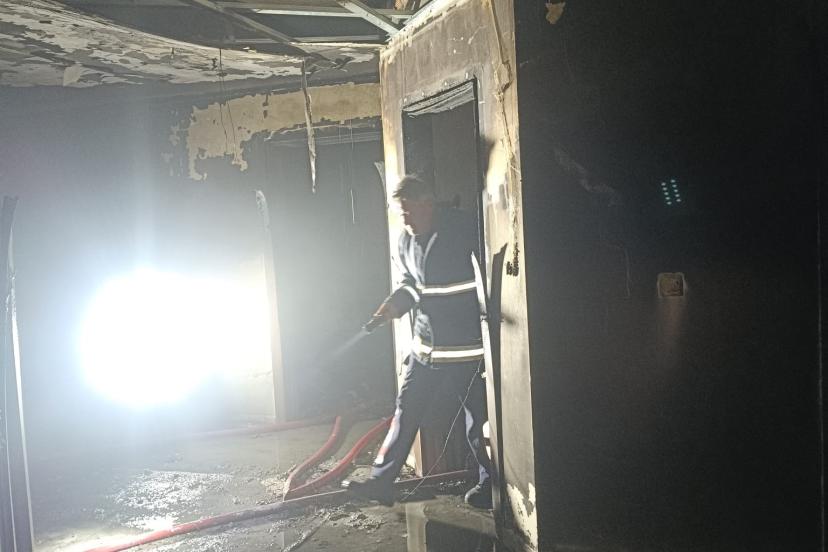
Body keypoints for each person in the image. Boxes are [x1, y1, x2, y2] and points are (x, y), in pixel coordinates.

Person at [343, 175, 493, 509]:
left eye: (409, 211)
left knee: (478, 422)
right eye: (402, 214)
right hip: (425, 349)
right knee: (405, 412)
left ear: (428, 204)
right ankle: (381, 482)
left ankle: (489, 486)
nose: (406, 220)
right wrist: (393, 306)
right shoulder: (405, 241)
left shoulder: (462, 229)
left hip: (465, 349)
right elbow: (411, 285)